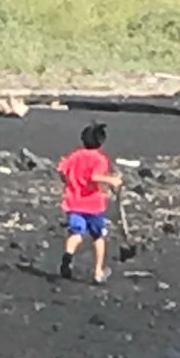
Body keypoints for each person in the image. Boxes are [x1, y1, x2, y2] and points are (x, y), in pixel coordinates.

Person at [57, 121, 122, 283]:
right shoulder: (99, 159)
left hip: (74, 202)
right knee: (98, 236)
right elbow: (95, 177)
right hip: (93, 205)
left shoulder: (75, 156)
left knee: (76, 234)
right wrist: (112, 181)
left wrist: (68, 182)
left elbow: (61, 170)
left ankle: (68, 256)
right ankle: (98, 272)